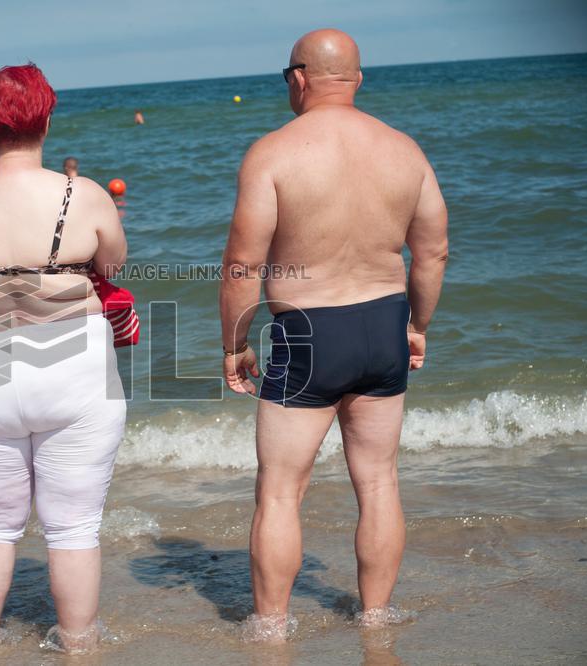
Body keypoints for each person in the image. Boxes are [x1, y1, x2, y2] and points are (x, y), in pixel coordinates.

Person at [219, 29, 448, 635]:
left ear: (298, 78)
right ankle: (376, 618)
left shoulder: (272, 153)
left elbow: (241, 265)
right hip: (384, 326)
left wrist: (235, 345)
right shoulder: (405, 150)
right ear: (357, 79)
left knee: (279, 492)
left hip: (306, 333)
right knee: (378, 483)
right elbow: (433, 254)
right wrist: (417, 327)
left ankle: (270, 630)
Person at [0, 64, 127, 651]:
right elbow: (112, 265)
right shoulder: (83, 193)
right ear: (46, 116)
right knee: (72, 528)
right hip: (71, 363)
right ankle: (76, 648)